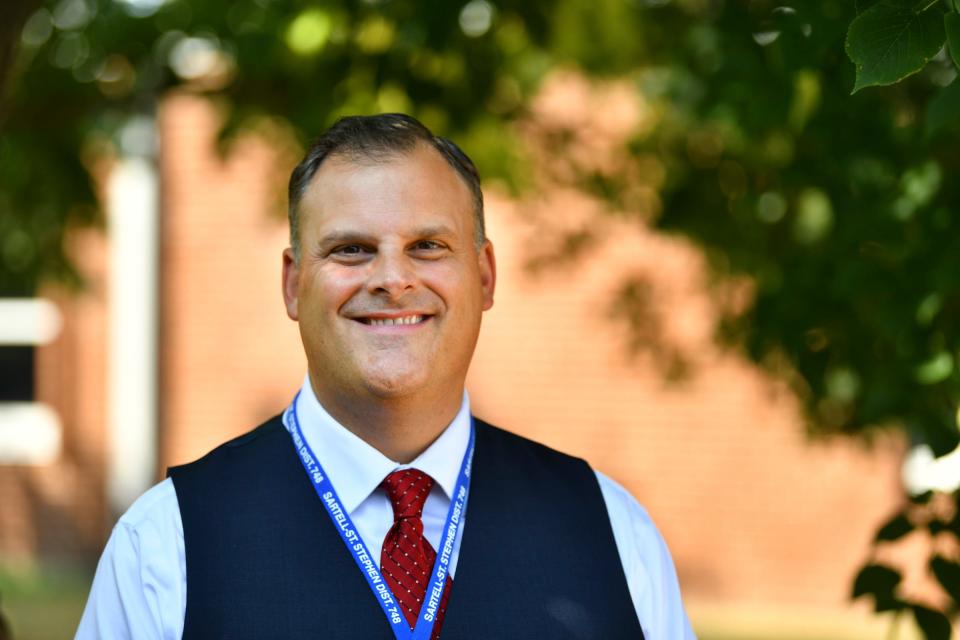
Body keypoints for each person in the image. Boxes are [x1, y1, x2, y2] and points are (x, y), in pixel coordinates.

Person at [76, 114, 695, 639]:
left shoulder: (610, 530)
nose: (392, 279)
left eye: (428, 246)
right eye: (351, 249)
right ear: (294, 283)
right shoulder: (166, 544)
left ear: (483, 277)